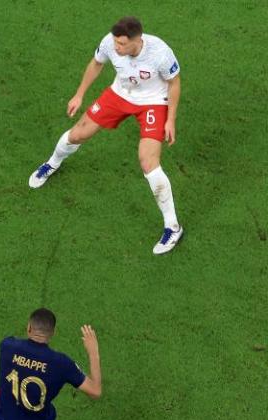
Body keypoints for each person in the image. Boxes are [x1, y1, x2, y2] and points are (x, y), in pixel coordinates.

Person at [28, 16, 185, 255]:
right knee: (78, 134)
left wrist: (170, 120)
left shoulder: (160, 53)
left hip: (153, 102)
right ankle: (52, 163)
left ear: (137, 41)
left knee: (148, 162)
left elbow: (174, 83)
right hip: (120, 94)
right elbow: (96, 64)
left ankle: (172, 227)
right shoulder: (110, 43)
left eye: (122, 44)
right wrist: (79, 94)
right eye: (115, 42)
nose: (116, 47)